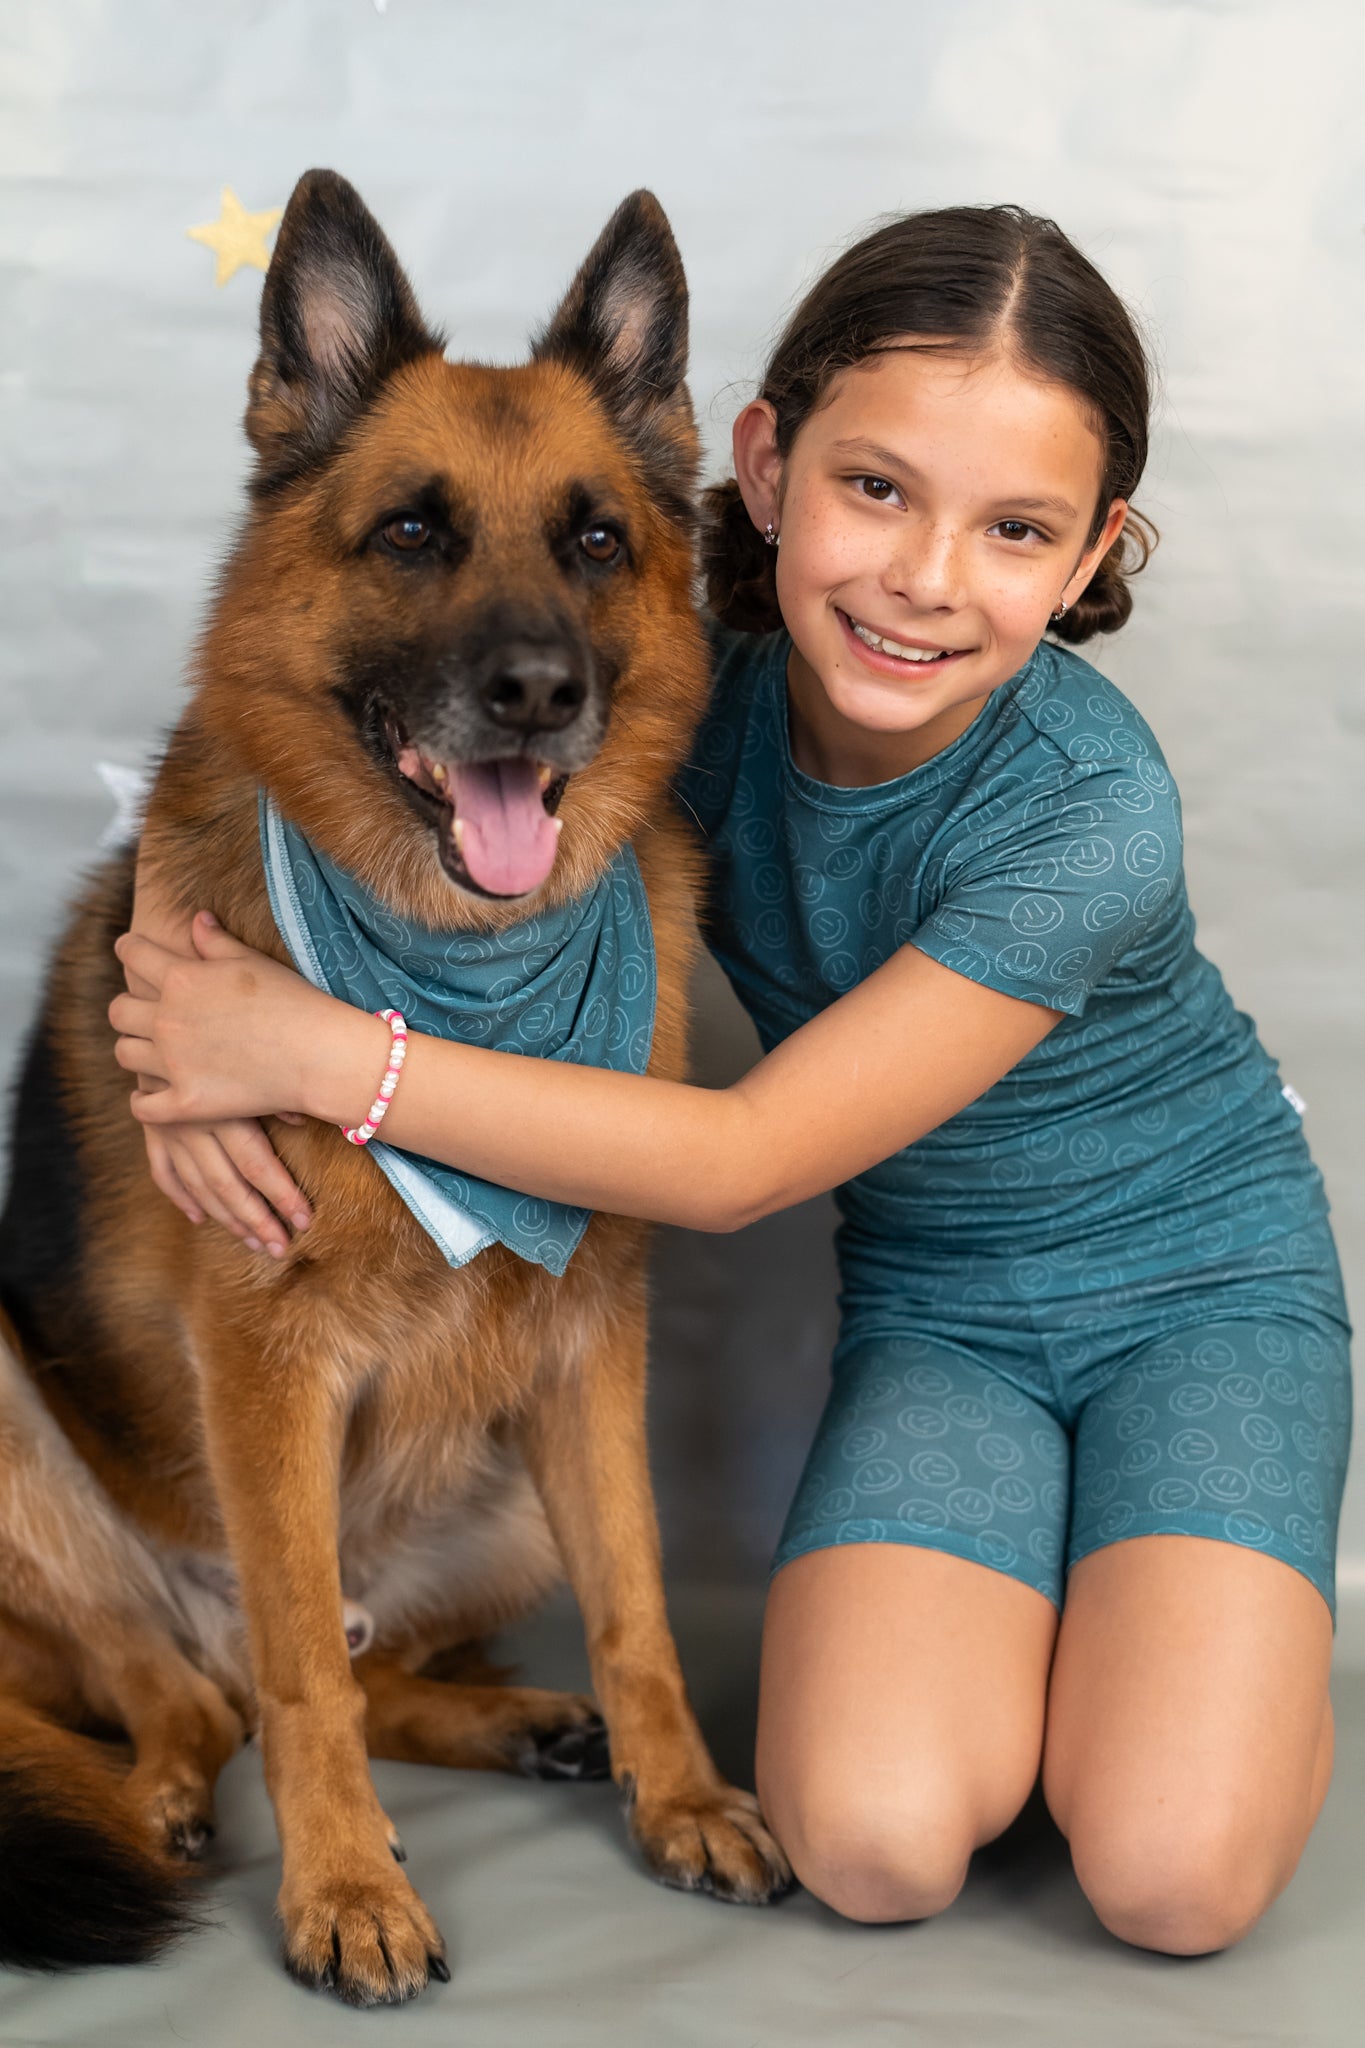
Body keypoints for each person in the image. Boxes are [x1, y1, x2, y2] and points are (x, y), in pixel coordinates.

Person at [110, 204, 1351, 1956]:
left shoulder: (1091, 810)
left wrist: (312, 1055)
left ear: (1089, 562)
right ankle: (1109, 1601)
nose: (923, 576)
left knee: (1163, 1877)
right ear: (759, 467)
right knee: (871, 1846)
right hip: (949, 1321)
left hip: (1201, 1294)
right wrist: (180, 961)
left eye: (1011, 530)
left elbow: (739, 1158)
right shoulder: (688, 703)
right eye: (876, 491)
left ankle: (1175, 1582)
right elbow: (253, 732)